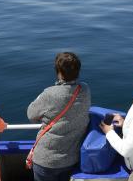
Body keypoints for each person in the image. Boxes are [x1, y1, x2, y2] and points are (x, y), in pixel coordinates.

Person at [27, 52, 91, 181]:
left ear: (59, 72)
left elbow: (31, 114)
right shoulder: (85, 89)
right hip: (71, 159)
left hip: (45, 160)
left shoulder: (50, 93)